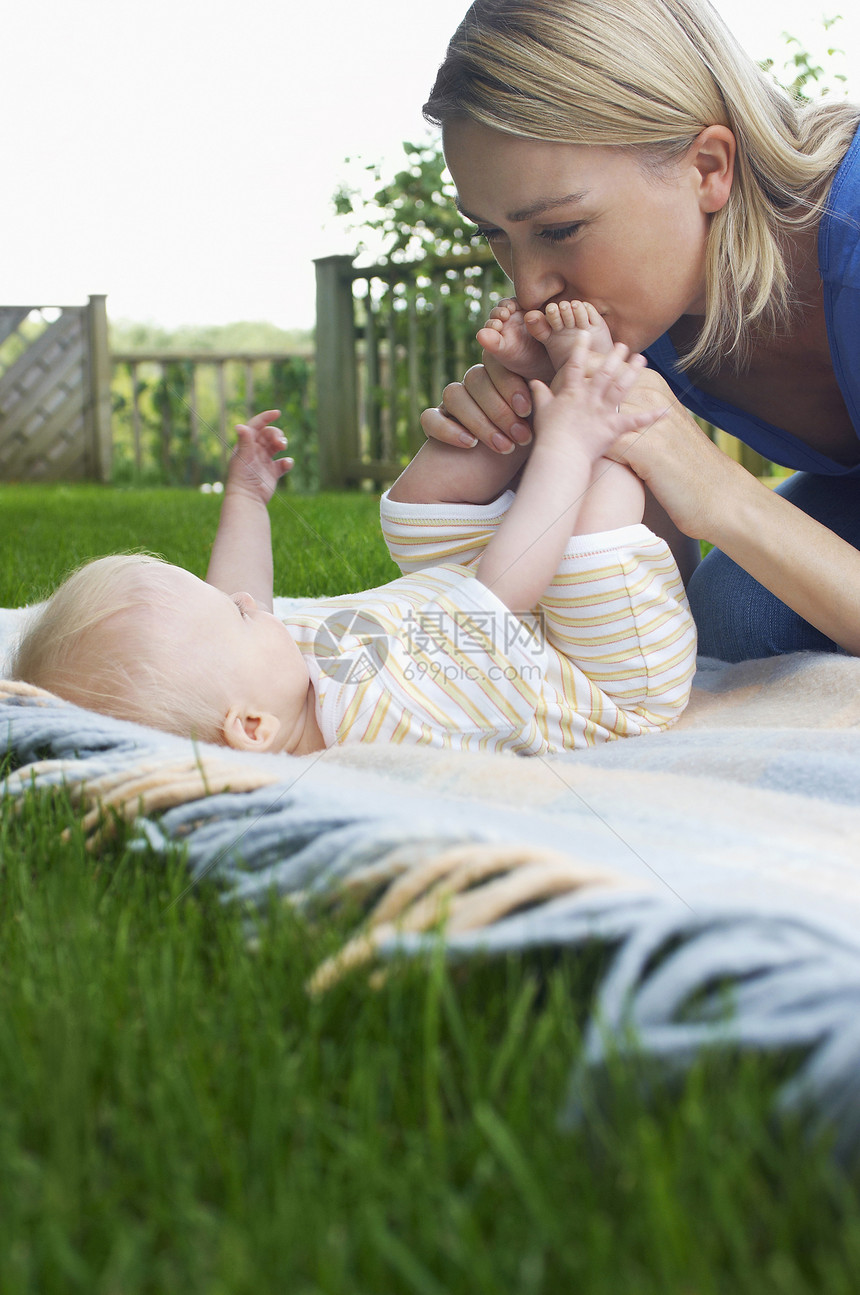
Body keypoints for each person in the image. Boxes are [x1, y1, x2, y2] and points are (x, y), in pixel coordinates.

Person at [10, 321, 696, 756]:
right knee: (595, 497)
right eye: (239, 617)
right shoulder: (384, 718)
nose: (249, 604)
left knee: (412, 507)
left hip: (505, 617)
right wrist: (567, 449)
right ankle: (576, 413)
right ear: (250, 729)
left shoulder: (260, 685)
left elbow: (238, 592)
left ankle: (538, 390)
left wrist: (246, 499)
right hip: (604, 672)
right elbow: (507, 585)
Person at [418, 0, 860, 663]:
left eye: (560, 229)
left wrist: (720, 492)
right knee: (734, 620)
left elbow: (716, 499)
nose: (529, 286)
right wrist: (561, 442)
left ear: (708, 167)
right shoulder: (646, 318)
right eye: (495, 235)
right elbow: (653, 599)